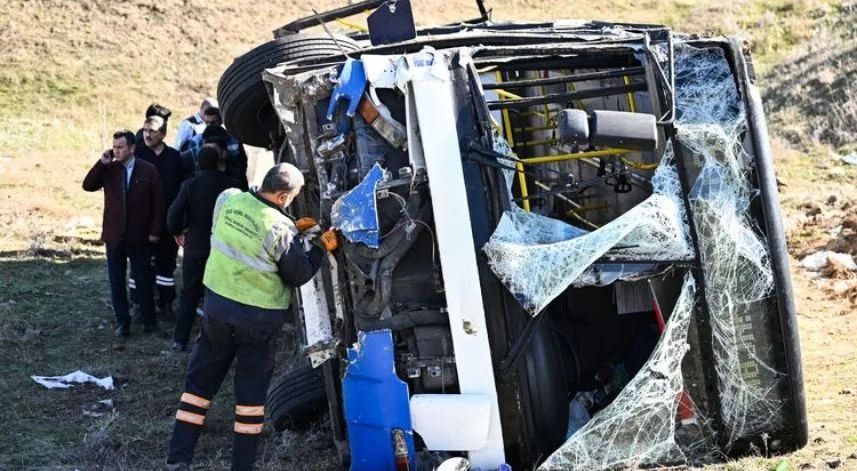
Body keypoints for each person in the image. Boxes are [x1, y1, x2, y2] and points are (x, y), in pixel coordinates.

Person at [165, 163, 339, 471]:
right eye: (293, 196)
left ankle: (178, 459)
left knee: (197, 390)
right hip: (256, 324)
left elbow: (248, 235)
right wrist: (319, 249)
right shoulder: (279, 228)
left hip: (217, 312)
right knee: (249, 401)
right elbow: (297, 273)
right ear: (284, 196)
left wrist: (291, 230)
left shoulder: (230, 199)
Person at [82, 129, 164, 336]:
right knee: (116, 281)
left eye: (120, 147)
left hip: (140, 235)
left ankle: (149, 321)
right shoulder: (109, 168)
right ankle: (123, 322)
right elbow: (88, 186)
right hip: (114, 235)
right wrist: (101, 163)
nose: (116, 151)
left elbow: (159, 204)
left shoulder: (148, 170)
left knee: (143, 279)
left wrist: (155, 231)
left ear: (132, 148)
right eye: (114, 147)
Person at [167, 147, 241, 352]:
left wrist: (178, 232)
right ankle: (223, 342)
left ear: (197, 164)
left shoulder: (190, 185)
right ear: (220, 162)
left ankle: (180, 340)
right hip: (225, 249)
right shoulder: (232, 186)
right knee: (223, 295)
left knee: (189, 294)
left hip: (196, 247)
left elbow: (173, 214)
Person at [135, 115, 193, 320]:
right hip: (141, 221)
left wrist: (182, 222)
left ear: (163, 134)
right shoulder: (137, 154)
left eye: (152, 131)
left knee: (166, 263)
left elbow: (185, 190)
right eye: (145, 130)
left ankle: (166, 303)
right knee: (140, 264)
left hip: (168, 220)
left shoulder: (176, 158)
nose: (147, 134)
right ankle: (139, 302)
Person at [180, 107, 249, 190]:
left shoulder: (233, 141)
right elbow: (190, 163)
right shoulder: (197, 140)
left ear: (220, 122)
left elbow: (242, 164)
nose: (209, 126)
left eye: (213, 123)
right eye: (207, 122)